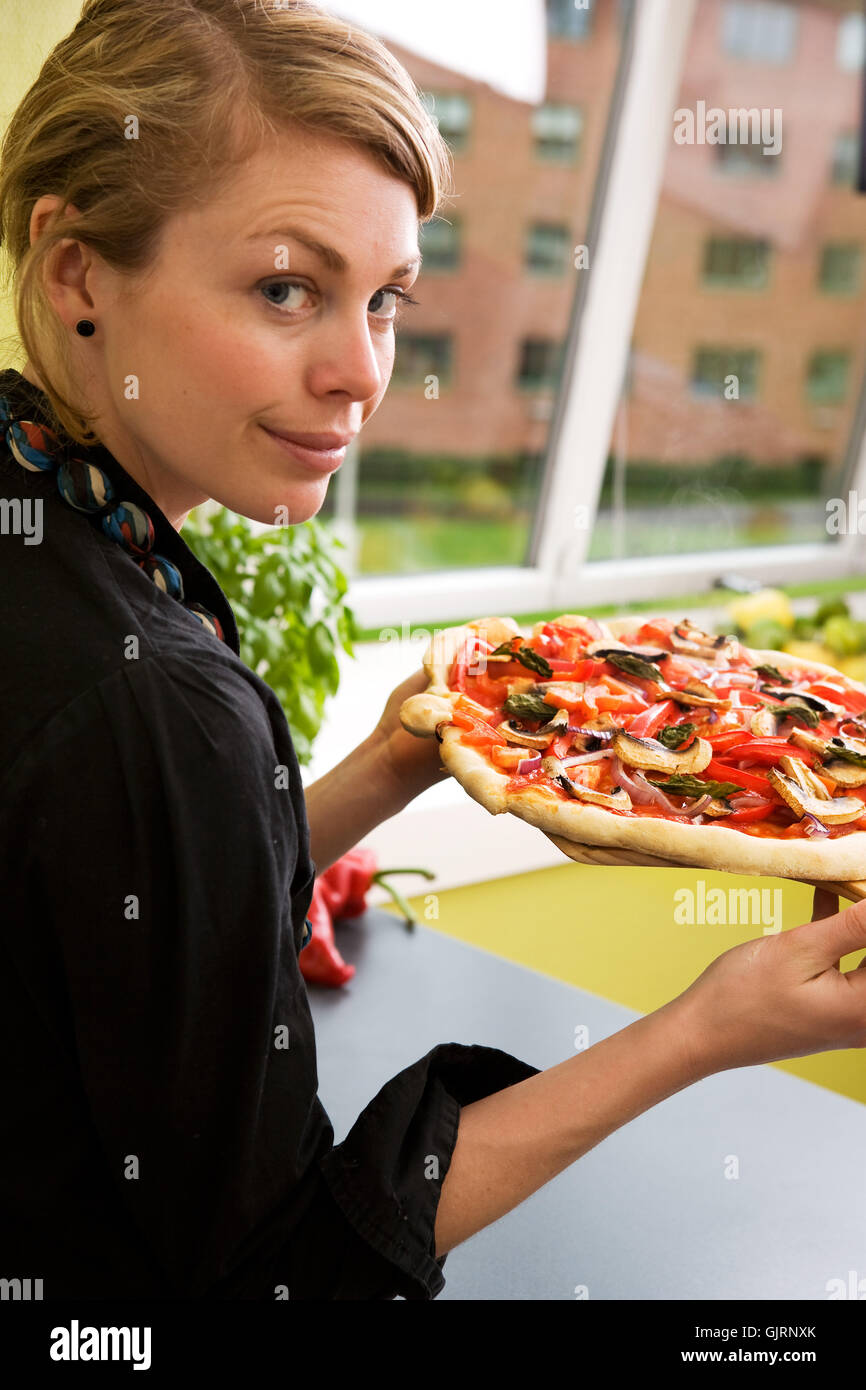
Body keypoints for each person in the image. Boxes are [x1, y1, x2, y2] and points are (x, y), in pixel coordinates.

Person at [0, 0, 864, 1302]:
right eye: (285, 287)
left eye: (388, 299)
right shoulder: (158, 699)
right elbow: (280, 1275)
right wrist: (705, 1028)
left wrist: (391, 765)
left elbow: (120, 925)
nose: (361, 371)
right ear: (75, 275)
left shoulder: (48, 526)